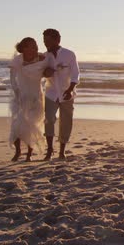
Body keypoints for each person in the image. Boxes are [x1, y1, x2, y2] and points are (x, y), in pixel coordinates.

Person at [9, 37, 55, 162]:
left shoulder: (43, 59)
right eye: (32, 46)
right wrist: (17, 94)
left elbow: (51, 69)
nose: (36, 48)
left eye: (36, 46)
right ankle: (18, 151)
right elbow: (13, 80)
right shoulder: (17, 60)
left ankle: (29, 155)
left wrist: (51, 71)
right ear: (25, 48)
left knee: (32, 125)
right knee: (17, 126)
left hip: (36, 97)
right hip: (21, 97)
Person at [42, 28, 80, 160]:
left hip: (67, 92)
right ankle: (49, 150)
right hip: (51, 93)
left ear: (57, 40)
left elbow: (75, 73)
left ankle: (62, 150)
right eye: (44, 41)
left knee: (66, 122)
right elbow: (41, 74)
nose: (46, 43)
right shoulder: (44, 57)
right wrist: (46, 72)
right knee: (49, 120)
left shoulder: (69, 54)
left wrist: (70, 90)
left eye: (49, 40)